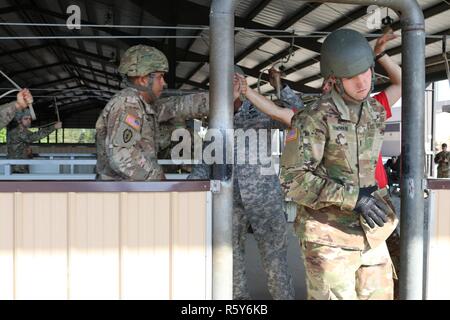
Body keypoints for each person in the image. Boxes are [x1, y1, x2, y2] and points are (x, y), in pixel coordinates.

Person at [238, 29, 402, 300]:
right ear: (335, 79)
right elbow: (293, 180)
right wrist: (353, 198)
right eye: (351, 76)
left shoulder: (373, 110)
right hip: (329, 239)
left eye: (366, 72)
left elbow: (406, 83)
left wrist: (380, 52)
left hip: (372, 233)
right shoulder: (313, 118)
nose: (362, 82)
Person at [188, 66, 303, 300]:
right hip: (229, 202)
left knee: (275, 261)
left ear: (242, 83)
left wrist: (280, 86)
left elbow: (299, 117)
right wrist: (188, 190)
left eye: (233, 83)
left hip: (265, 200)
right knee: (231, 259)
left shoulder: (260, 109)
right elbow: (206, 160)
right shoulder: (217, 119)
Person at [95, 44, 209, 181]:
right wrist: (158, 178)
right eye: (160, 77)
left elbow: (178, 106)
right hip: (123, 194)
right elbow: (122, 156)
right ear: (143, 79)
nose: (164, 83)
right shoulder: (128, 104)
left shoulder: (143, 105)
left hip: (131, 191)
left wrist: (222, 98)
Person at [7, 109, 62, 173]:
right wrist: (53, 127)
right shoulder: (18, 132)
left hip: (22, 165)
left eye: (30, 119)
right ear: (19, 120)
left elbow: (27, 141)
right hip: (17, 167)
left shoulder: (24, 131)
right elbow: (34, 137)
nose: (28, 121)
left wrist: (28, 151)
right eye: (26, 119)